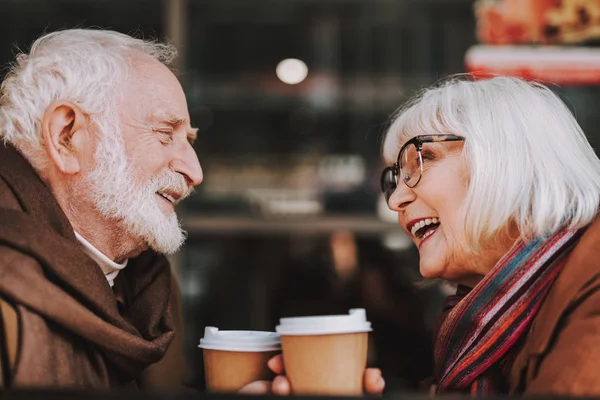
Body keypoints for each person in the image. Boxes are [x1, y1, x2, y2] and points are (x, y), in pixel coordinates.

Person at [0, 29, 385, 393]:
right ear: (67, 136)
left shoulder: (151, 288)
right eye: (166, 134)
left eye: (190, 141)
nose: (195, 172)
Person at [380, 75, 600, 396]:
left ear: (507, 157)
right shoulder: (477, 319)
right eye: (395, 177)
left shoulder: (592, 283)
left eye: (421, 160)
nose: (394, 200)